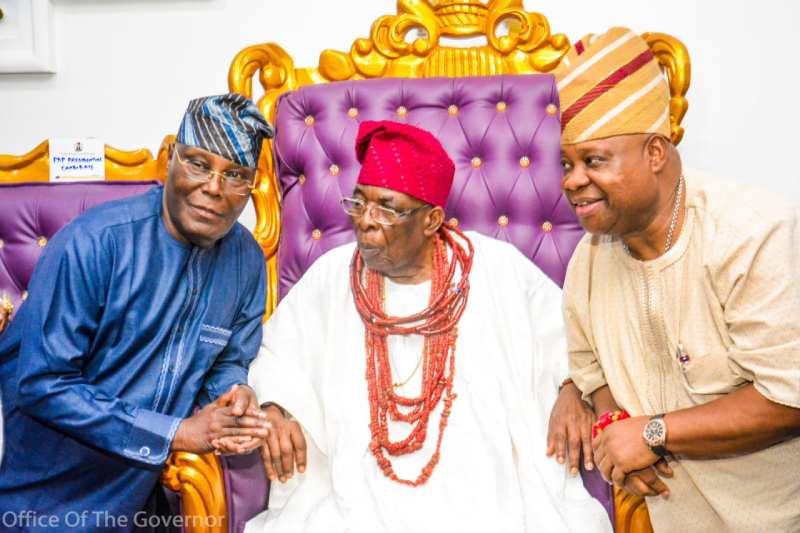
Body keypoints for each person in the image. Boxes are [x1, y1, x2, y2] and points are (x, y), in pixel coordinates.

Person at [241, 121, 612, 533]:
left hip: (485, 488)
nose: (365, 221)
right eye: (359, 203)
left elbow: (570, 335)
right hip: (359, 488)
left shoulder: (494, 267)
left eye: (386, 208)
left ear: (432, 220)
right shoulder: (333, 275)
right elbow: (276, 354)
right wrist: (275, 408)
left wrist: (571, 387)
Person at [555, 27, 800, 533]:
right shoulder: (589, 260)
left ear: (654, 153)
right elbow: (592, 372)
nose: (572, 180)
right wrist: (615, 432)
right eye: (567, 164)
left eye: (593, 160)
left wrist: (653, 433)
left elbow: (789, 398)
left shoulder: (751, 233)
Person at [0, 93, 273, 531]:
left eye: (235, 175)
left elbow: (226, 360)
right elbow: (43, 384)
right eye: (198, 164)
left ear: (252, 186)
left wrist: (233, 395)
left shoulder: (246, 261)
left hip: (144, 500)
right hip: (43, 500)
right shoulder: (95, 243)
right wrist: (176, 433)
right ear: (169, 160)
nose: (213, 188)